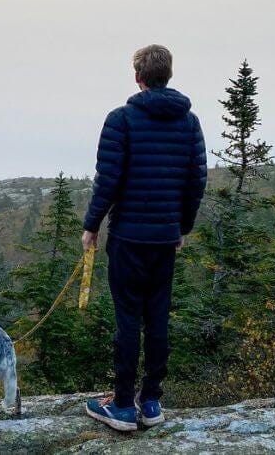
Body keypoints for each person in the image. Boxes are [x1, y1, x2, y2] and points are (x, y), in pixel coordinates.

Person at [82, 45, 207, 431]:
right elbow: (196, 181)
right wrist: (180, 228)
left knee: (127, 320)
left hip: (128, 238)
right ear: (167, 75)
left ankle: (121, 405)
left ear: (138, 77)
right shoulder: (190, 123)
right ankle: (151, 402)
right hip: (163, 239)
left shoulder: (121, 120)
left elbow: (109, 180)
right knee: (157, 318)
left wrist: (92, 225)